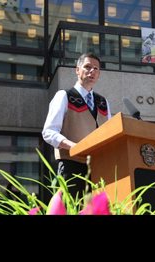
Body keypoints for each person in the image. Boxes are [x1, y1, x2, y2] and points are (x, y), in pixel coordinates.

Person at [42, 52, 112, 199]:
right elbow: (49, 132)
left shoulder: (103, 102)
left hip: (100, 169)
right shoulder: (64, 96)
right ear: (77, 70)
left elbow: (110, 133)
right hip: (71, 166)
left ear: (99, 74)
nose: (92, 71)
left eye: (96, 69)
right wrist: (74, 146)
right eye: (87, 67)